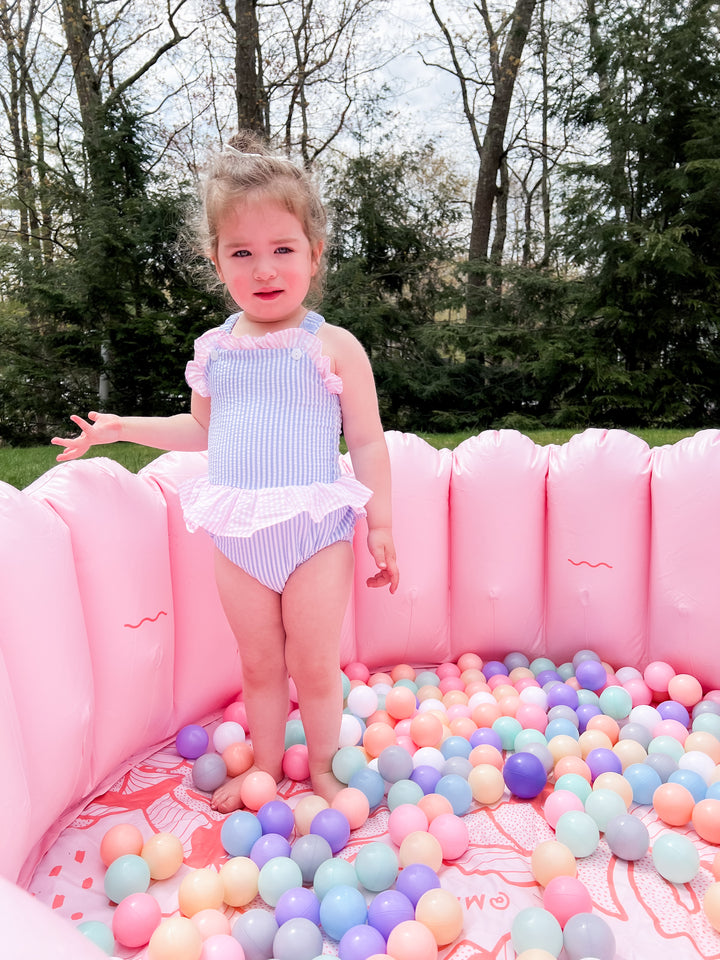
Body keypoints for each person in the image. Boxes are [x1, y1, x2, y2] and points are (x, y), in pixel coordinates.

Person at [52, 131, 399, 813]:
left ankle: (325, 766)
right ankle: (266, 766)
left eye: (282, 250)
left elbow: (366, 436)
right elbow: (203, 432)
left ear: (313, 254)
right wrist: (123, 429)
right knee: (260, 664)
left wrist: (381, 520)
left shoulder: (330, 345)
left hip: (314, 532)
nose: (264, 269)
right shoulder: (214, 351)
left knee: (312, 663)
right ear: (217, 262)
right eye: (242, 253)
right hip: (239, 537)